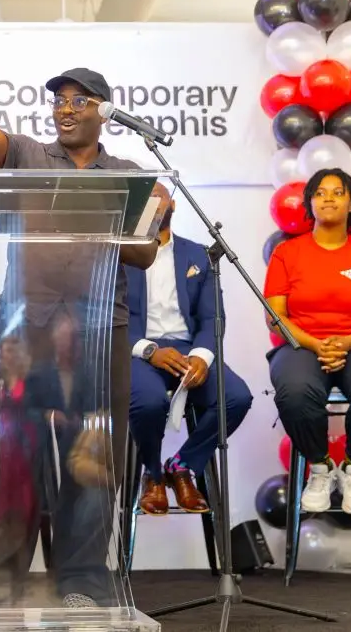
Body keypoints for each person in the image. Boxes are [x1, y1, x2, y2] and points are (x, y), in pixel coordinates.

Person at [0, 66, 158, 608]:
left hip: (99, 331)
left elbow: (145, 253)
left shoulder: (128, 174)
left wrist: (110, 216)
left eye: (79, 101)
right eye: (59, 101)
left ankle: (82, 583)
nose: (65, 109)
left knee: (91, 460)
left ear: (103, 110)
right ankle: (4, 584)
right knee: (13, 461)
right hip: (23, 332)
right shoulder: (30, 158)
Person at [264, 167, 351, 515]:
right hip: (301, 344)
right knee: (294, 392)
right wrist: (316, 344)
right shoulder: (286, 254)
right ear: (309, 203)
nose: (328, 198)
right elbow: (275, 317)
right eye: (320, 192)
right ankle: (320, 467)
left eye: (338, 192)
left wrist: (346, 343)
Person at [127, 183, 253, 515]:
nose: (152, 202)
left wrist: (201, 356)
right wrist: (149, 350)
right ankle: (151, 476)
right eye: (145, 197)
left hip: (187, 350)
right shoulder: (119, 254)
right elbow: (103, 315)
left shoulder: (197, 254)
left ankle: (182, 466)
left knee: (236, 398)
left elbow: (213, 316)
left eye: (159, 195)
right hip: (139, 353)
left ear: (174, 204)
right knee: (150, 402)